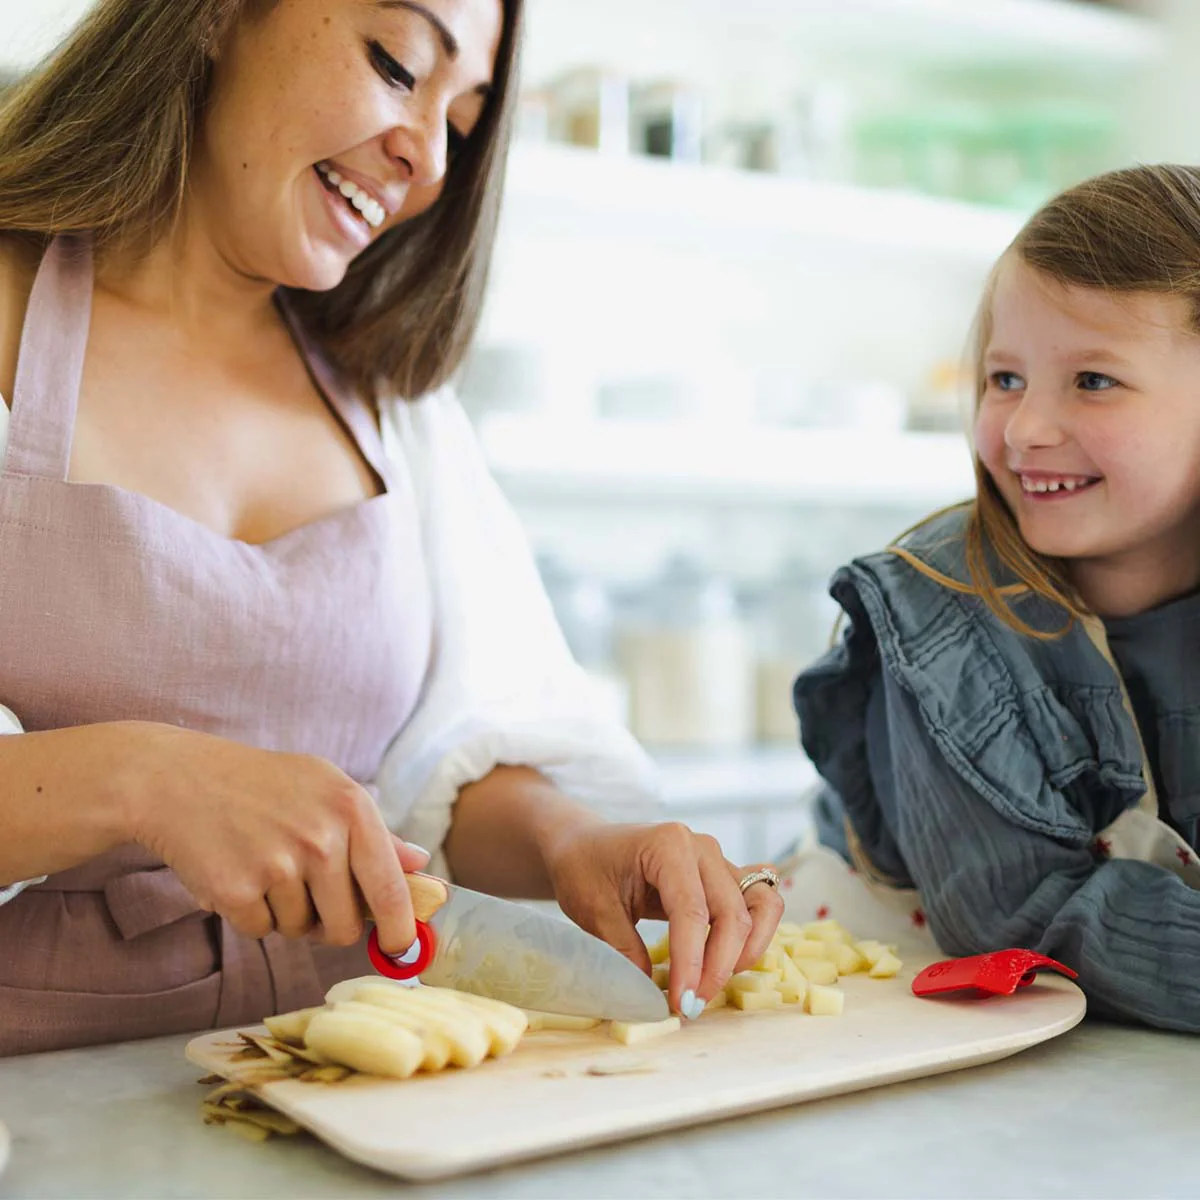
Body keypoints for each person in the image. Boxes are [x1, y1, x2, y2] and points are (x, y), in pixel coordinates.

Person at [0, 0, 783, 1056]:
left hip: (356, 1069)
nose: (425, 160)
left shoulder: (391, 404)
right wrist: (145, 780)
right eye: (397, 63)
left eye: (462, 119)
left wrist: (575, 841)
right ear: (221, 14)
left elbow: (438, 764)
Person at [794, 163, 1200, 1033]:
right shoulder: (938, 614)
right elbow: (1022, 914)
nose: (1023, 431)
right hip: (885, 1019)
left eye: (1094, 380)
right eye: (1004, 378)